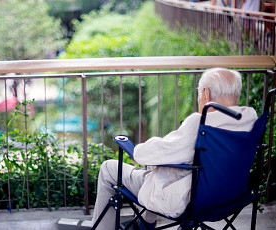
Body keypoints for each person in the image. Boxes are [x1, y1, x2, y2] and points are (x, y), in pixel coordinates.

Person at [92, 68, 258, 230]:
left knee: (109, 168)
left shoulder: (201, 125)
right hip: (230, 196)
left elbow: (144, 155)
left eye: (199, 93)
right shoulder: (250, 119)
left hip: (191, 200)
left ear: (205, 93)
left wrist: (143, 147)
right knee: (165, 166)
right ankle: (144, 223)